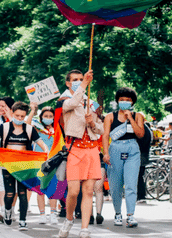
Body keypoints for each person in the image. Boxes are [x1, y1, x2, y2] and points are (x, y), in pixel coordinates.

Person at [0, 101, 49, 231]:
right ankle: (8, 211)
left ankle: (23, 221)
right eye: (17, 115)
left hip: (24, 166)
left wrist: (46, 150)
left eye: (22, 116)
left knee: (22, 193)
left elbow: (41, 143)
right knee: (9, 193)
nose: (20, 119)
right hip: (7, 165)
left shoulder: (29, 129)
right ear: (12, 113)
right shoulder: (3, 128)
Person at [57, 69, 103, 238]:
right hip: (74, 149)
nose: (78, 81)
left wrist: (92, 123)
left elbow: (101, 128)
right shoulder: (65, 99)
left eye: (81, 78)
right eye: (75, 79)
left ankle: (84, 229)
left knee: (89, 191)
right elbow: (71, 104)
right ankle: (69, 219)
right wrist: (83, 85)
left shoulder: (92, 103)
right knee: (74, 191)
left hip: (92, 149)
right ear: (68, 83)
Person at [103, 87, 145, 228]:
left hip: (132, 148)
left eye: (128, 100)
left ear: (132, 102)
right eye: (122, 100)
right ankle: (117, 213)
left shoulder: (138, 115)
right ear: (117, 101)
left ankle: (130, 215)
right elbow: (105, 135)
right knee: (115, 186)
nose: (125, 102)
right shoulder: (110, 116)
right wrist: (105, 153)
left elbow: (140, 134)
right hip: (115, 148)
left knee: (131, 184)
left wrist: (130, 118)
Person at [26, 104, 59, 225]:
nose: (48, 118)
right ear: (41, 117)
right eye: (46, 116)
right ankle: (42, 214)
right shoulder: (37, 128)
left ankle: (53, 213)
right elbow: (27, 125)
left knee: (53, 188)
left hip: (54, 161)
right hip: (39, 161)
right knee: (40, 189)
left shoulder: (57, 129)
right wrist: (33, 110)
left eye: (51, 116)